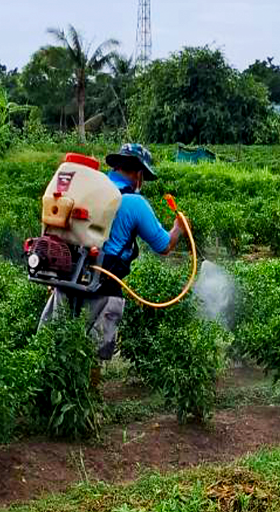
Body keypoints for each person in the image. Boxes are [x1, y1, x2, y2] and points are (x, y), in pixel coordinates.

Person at [37, 143, 185, 366]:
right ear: (138, 174)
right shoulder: (134, 203)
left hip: (68, 278)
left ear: (115, 167)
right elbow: (164, 245)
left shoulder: (86, 192)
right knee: (92, 356)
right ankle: (88, 398)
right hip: (104, 286)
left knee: (52, 348)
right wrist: (179, 228)